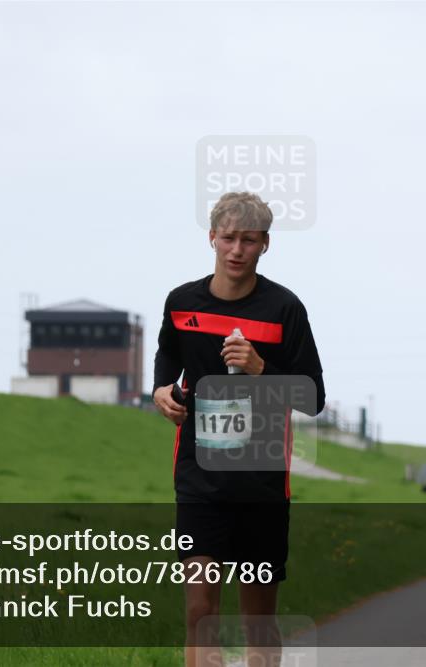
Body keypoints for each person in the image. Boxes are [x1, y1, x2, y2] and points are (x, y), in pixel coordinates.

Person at [152, 192, 326, 667]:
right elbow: (168, 353)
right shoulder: (181, 301)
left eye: (248, 240)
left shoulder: (284, 309)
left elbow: (313, 397)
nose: (236, 250)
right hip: (199, 478)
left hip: (261, 481)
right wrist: (161, 389)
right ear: (212, 237)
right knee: (200, 610)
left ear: (265, 245)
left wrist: (260, 368)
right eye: (228, 238)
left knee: (258, 621)